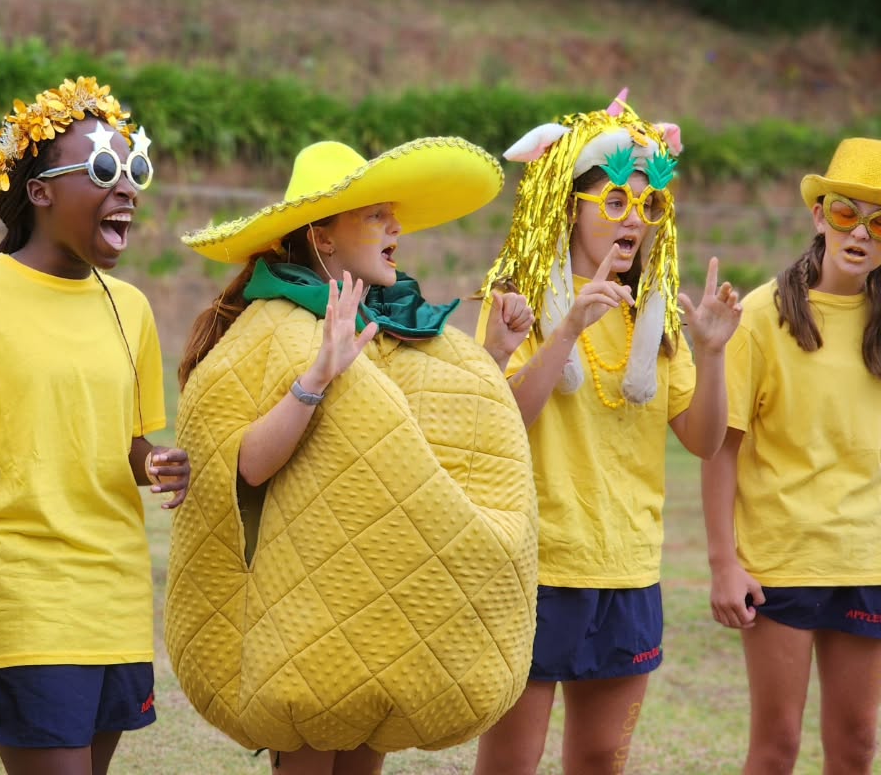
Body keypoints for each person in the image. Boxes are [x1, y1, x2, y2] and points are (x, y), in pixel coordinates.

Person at [166, 136, 540, 775]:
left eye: (392, 215)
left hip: (376, 602)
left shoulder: (394, 320)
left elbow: (424, 438)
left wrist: (494, 356)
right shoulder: (278, 325)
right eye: (375, 216)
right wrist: (319, 375)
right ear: (324, 237)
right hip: (306, 608)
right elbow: (246, 465)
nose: (396, 227)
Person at [0, 77, 190, 775]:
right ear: (39, 191)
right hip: (20, 598)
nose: (128, 188)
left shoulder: (130, 307)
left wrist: (155, 463)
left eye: (136, 170)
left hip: (116, 597)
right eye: (104, 171)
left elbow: (126, 443)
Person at [472, 90, 741, 775]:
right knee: (512, 760)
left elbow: (705, 442)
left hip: (629, 571)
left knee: (600, 758)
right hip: (539, 570)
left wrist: (711, 355)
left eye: (648, 205)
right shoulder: (517, 303)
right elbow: (496, 424)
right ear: (568, 208)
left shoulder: (657, 320)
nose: (634, 219)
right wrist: (565, 332)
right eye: (614, 202)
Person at [702, 137, 881, 775]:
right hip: (781, 560)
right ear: (818, 217)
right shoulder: (760, 315)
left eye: (879, 222)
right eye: (845, 214)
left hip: (865, 559)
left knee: (858, 746)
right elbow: (721, 449)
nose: (860, 233)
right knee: (776, 748)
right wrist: (724, 564)